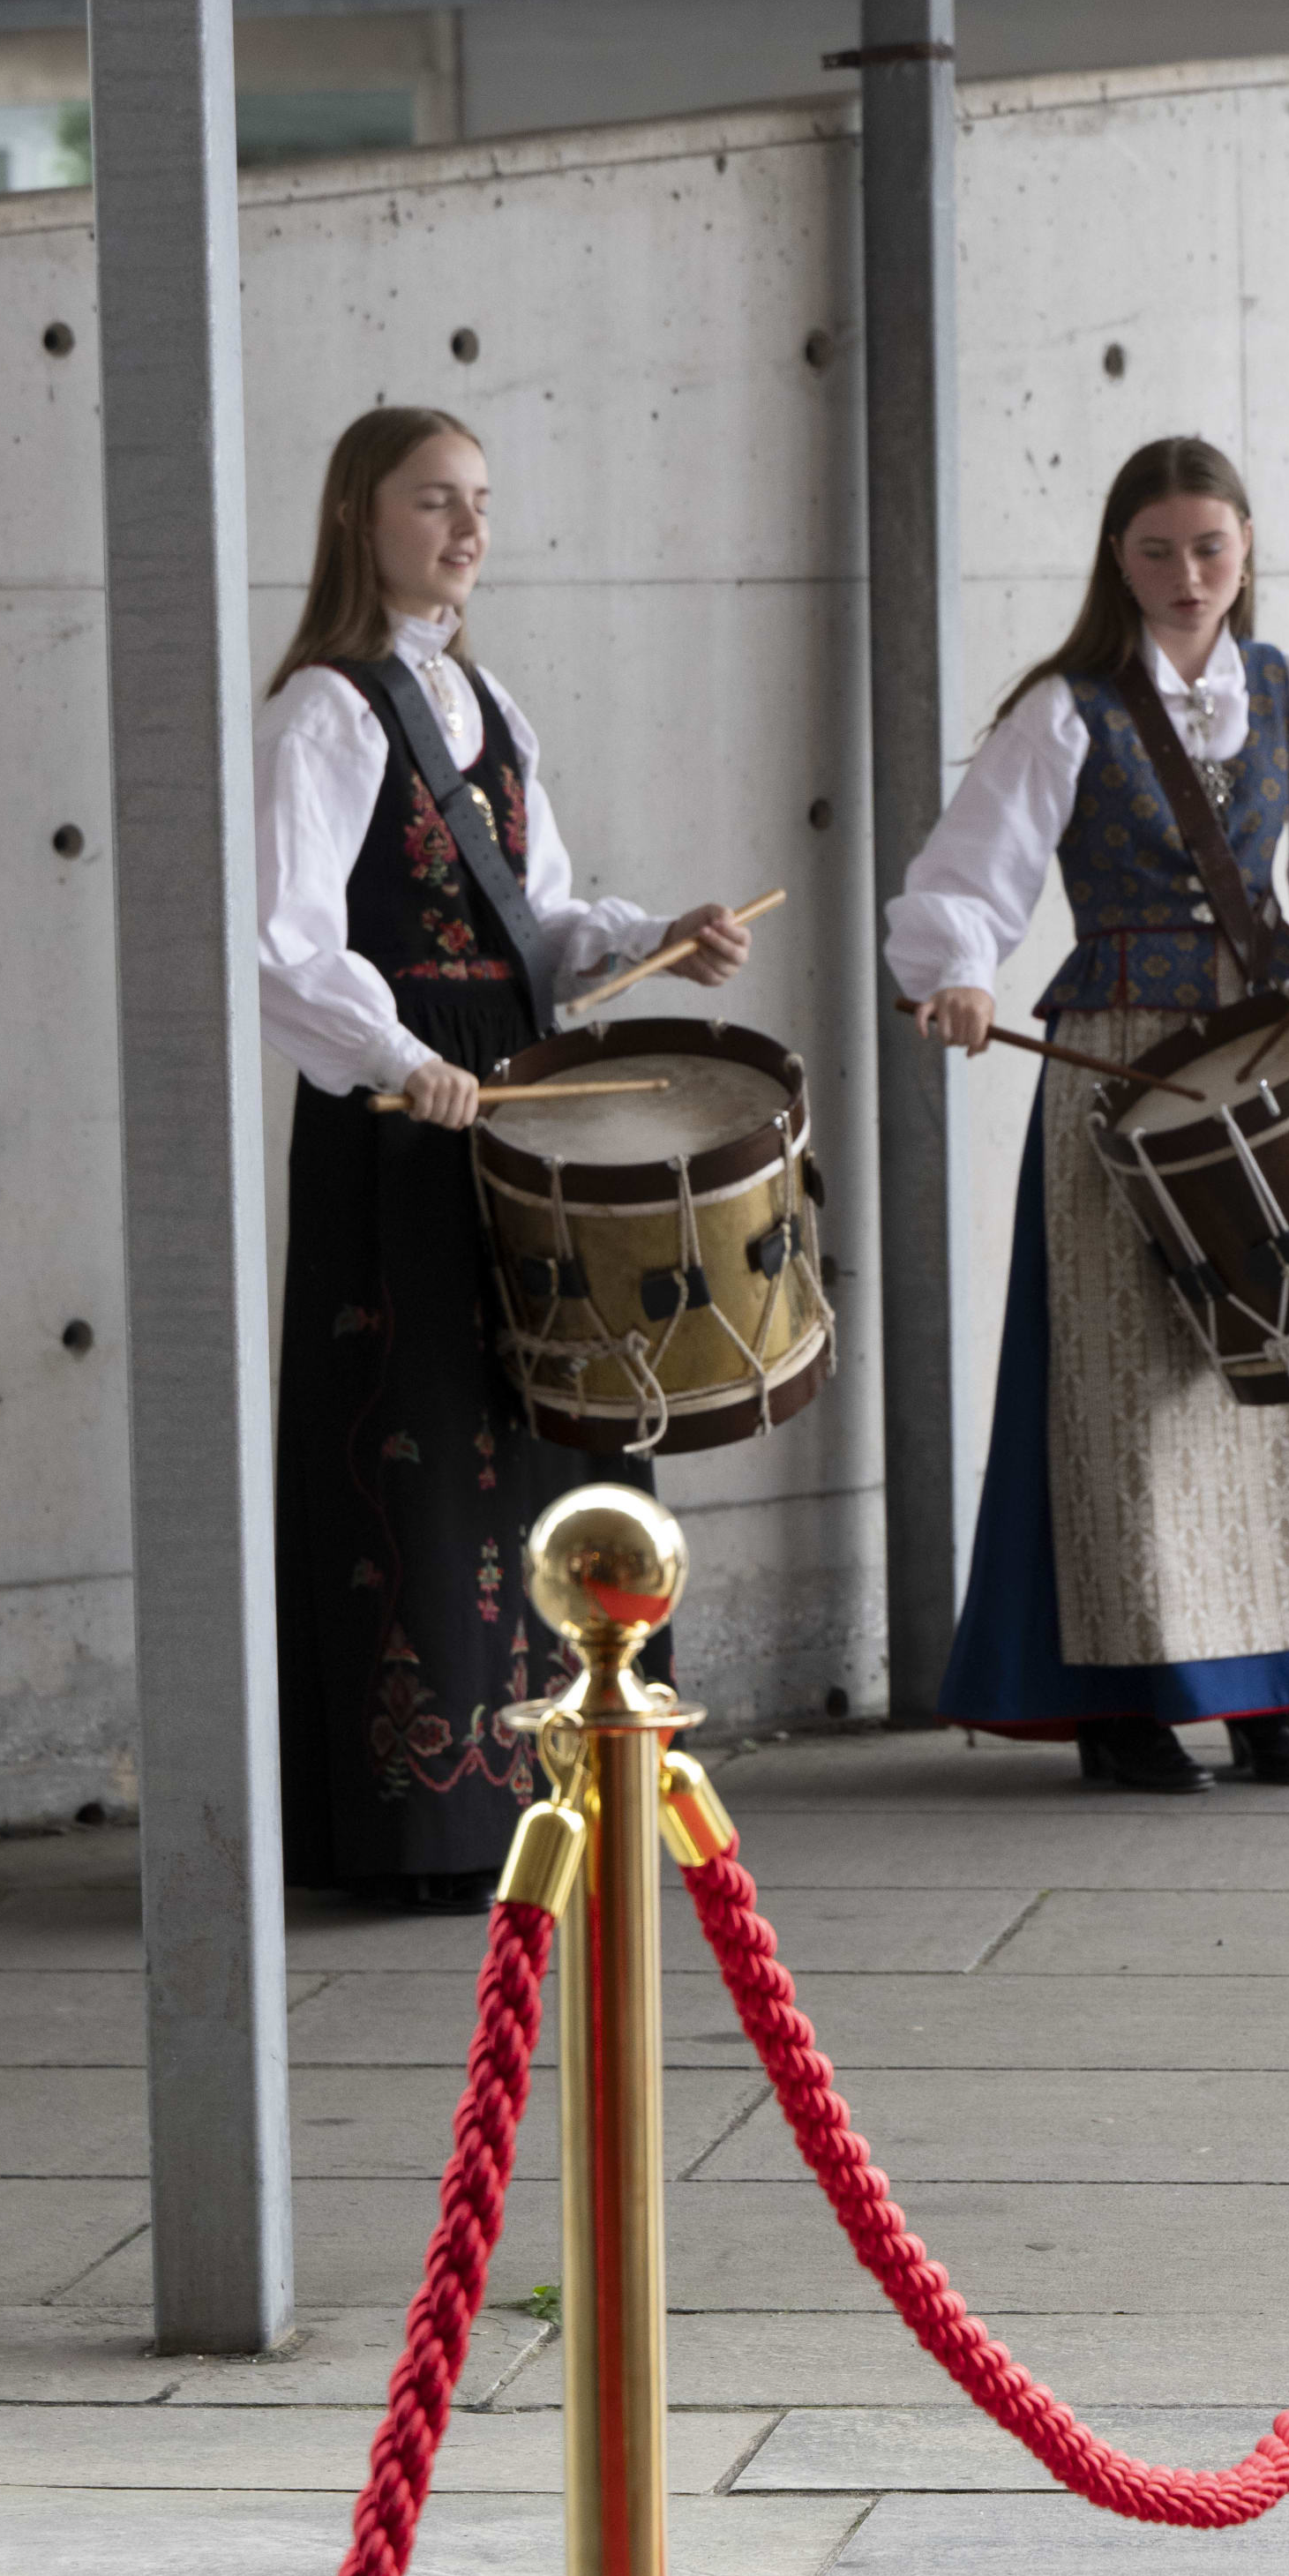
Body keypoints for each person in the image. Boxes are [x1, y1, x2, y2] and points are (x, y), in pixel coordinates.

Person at [886, 434, 1289, 1792]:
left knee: (1287, 1362)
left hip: (1269, 1045)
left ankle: (1271, 1689)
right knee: (1127, 1388)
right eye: (1156, 550)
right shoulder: (1066, 710)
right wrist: (957, 976)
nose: (1187, 574)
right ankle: (1124, 1700)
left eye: (1209, 545)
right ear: (1116, 559)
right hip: (1119, 1063)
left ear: (1247, 547)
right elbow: (971, 871)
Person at [257, 405, 749, 1902]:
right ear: (360, 518)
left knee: (559, 1420)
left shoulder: (491, 705)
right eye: (432, 503)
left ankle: (569, 1789)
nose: (467, 532)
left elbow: (536, 921)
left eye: (478, 503)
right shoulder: (323, 713)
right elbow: (282, 946)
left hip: (518, 1103)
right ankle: (420, 1824)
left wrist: (651, 940)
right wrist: (406, 1063)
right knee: (418, 1442)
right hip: (407, 1119)